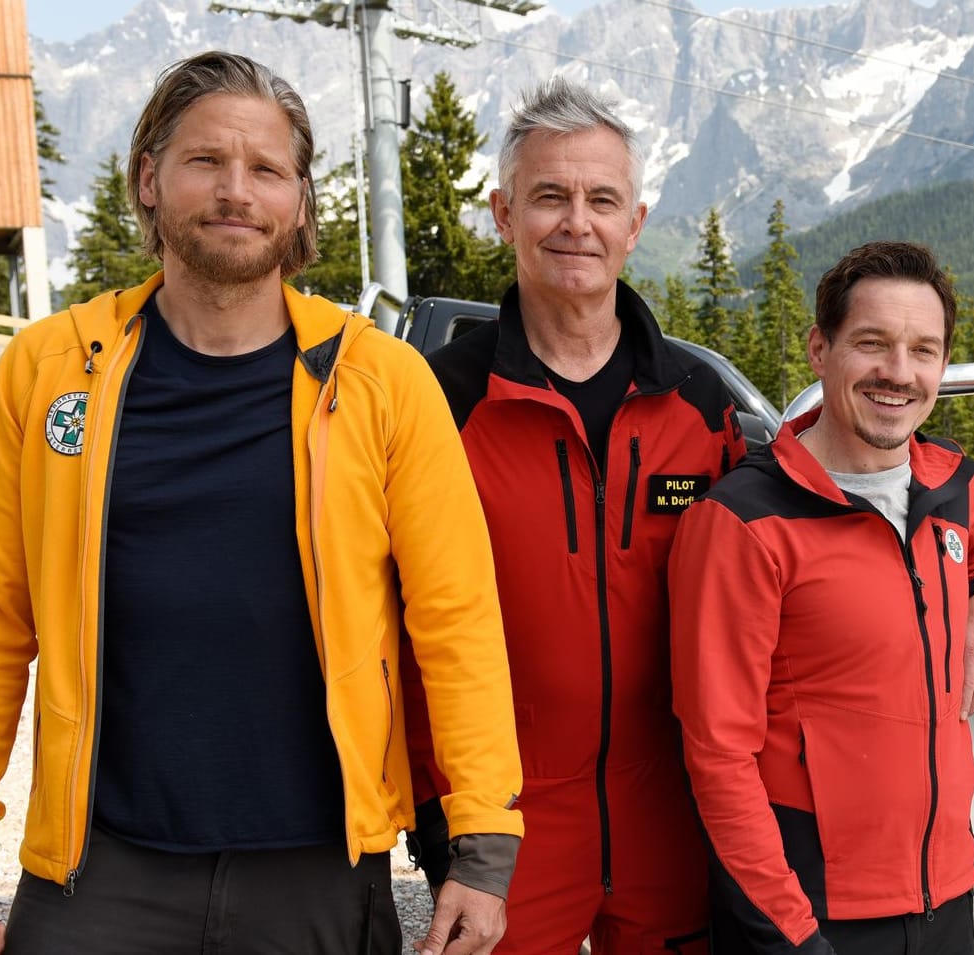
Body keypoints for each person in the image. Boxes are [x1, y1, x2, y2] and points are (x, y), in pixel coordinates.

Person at [0, 51, 523, 955]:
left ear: (299, 200)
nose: (235, 191)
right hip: (100, 870)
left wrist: (482, 842)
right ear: (150, 177)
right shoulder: (51, 371)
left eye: (265, 169)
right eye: (205, 161)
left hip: (317, 867)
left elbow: (455, 618)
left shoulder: (381, 380)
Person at [399, 77, 745, 955]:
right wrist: (438, 815)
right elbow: (387, 621)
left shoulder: (700, 407)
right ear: (503, 214)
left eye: (601, 200)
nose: (575, 223)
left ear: (635, 222)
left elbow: (807, 545)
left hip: (668, 814)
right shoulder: (439, 401)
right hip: (502, 820)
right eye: (549, 196)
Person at [668, 240, 974, 955]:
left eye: (923, 349)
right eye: (872, 343)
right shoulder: (743, 521)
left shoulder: (948, 488)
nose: (899, 372)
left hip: (946, 895)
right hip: (816, 913)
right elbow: (717, 756)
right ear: (818, 350)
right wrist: (789, 935)